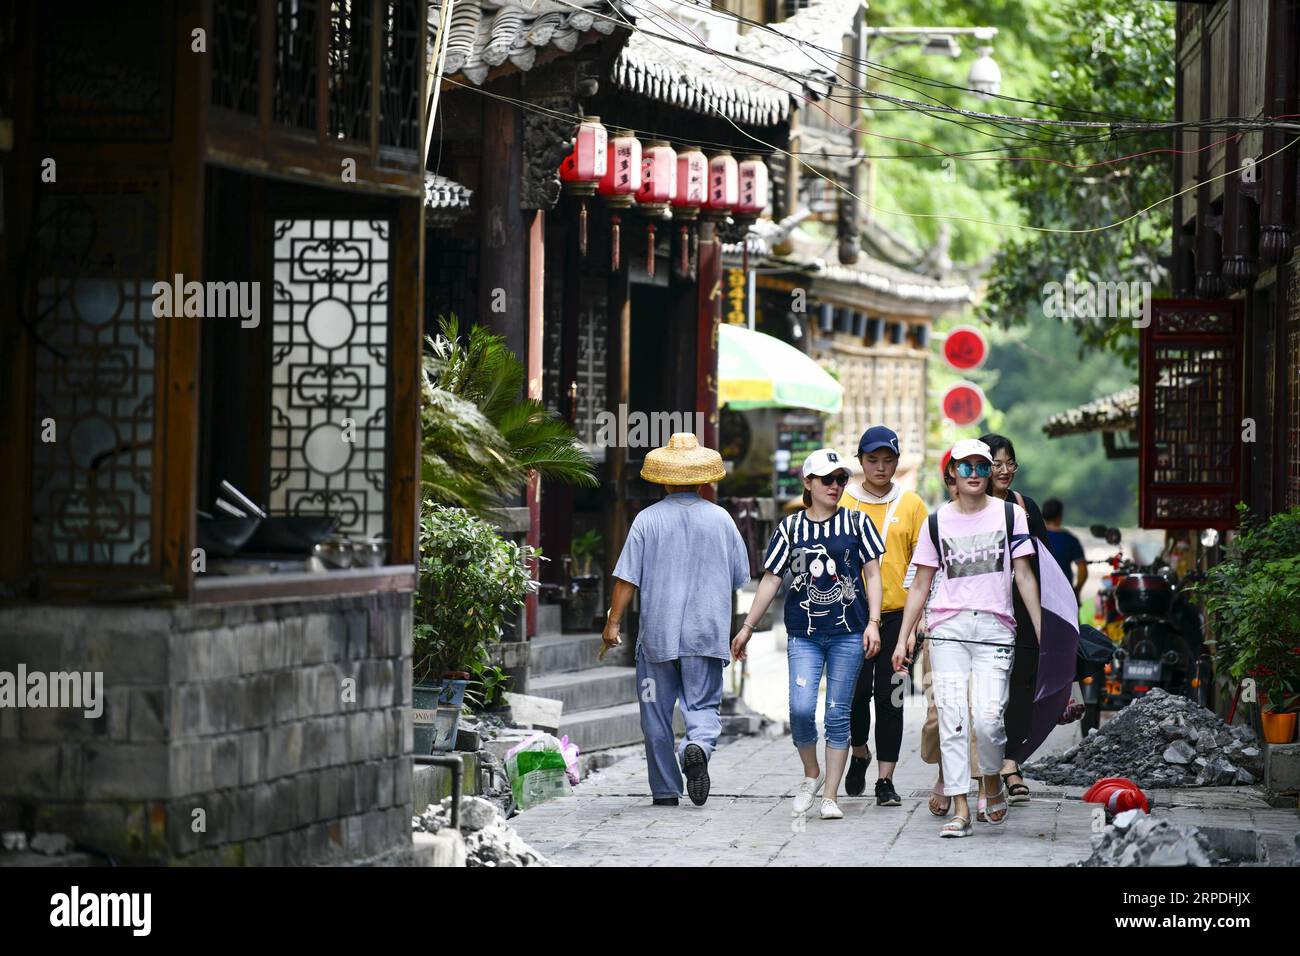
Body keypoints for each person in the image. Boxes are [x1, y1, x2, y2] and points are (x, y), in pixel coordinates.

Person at [892, 439, 1043, 838]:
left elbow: (1025, 575)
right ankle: (961, 808)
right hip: (948, 631)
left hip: (995, 628)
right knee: (953, 720)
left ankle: (991, 778)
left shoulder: (1011, 516)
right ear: (952, 476)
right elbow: (921, 582)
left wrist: (1044, 633)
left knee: (990, 718)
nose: (975, 474)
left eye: (982, 467)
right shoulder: (937, 522)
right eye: (966, 467)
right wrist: (903, 637)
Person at [732, 448, 885, 820]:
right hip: (804, 633)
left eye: (841, 479)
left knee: (837, 712)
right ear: (808, 483)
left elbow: (874, 574)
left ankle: (830, 795)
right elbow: (771, 578)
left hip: (849, 632)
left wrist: (874, 622)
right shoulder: (790, 528)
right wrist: (748, 627)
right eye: (827, 480)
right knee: (800, 709)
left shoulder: (857, 523)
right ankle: (811, 774)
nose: (835, 486)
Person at [602, 433, 750, 808]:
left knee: (655, 714)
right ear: (703, 479)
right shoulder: (722, 520)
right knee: (702, 707)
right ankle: (696, 746)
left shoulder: (647, 520)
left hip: (657, 638)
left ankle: (666, 789)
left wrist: (613, 623)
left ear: (664, 479)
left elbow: (626, 579)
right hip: (706, 634)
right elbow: (739, 576)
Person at [838, 426, 927, 806]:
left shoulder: (912, 505)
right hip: (852, 614)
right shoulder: (843, 502)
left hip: (897, 616)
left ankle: (885, 780)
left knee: (891, 697)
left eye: (887, 460)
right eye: (872, 460)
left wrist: (918, 621)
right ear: (860, 462)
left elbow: (925, 566)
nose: (880, 467)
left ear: (896, 462)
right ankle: (860, 752)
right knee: (855, 695)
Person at [980, 433, 1047, 806]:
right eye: (996, 463)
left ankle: (1011, 764)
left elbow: (1044, 567)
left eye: (1010, 463)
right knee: (990, 694)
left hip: (1021, 609)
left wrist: (1046, 620)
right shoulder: (964, 507)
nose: (1004, 471)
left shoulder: (1026, 507)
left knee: (1021, 690)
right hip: (982, 609)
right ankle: (982, 770)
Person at [1042, 498, 1088, 599]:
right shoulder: (1070, 539)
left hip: (1041, 594)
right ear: (1060, 516)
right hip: (1065, 594)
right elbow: (1082, 569)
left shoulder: (1036, 538)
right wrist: (1077, 590)